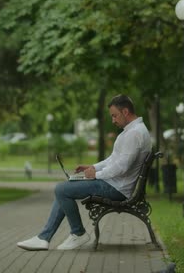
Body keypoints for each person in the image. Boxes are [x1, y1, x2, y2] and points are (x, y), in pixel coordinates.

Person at [17, 94, 152, 251]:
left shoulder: (134, 134)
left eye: (115, 116)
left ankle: (77, 233)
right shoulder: (132, 131)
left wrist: (96, 175)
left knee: (61, 189)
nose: (113, 120)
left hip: (117, 188)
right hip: (114, 184)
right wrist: (92, 167)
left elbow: (122, 167)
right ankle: (44, 238)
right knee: (65, 188)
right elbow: (113, 160)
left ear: (126, 112)